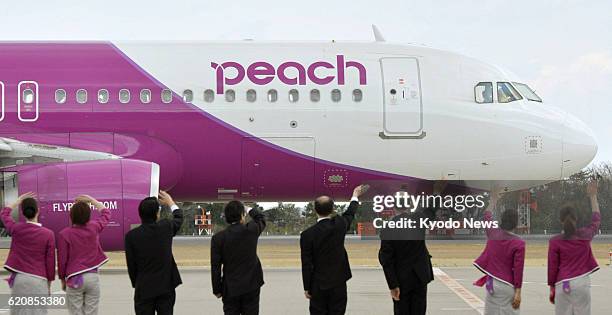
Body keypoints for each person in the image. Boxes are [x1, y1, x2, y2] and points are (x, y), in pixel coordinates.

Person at [300, 184, 368, 315]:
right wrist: (355, 195)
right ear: (332, 209)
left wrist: (307, 287)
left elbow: (306, 263)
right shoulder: (340, 225)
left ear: (315, 210)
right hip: (338, 283)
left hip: (318, 285)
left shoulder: (307, 234)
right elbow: (350, 213)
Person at [378, 185, 439, 315]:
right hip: (420, 276)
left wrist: (392, 285)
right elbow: (431, 210)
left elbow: (386, 260)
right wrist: (437, 191)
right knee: (419, 310)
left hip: (401, 279)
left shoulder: (388, 228)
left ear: (393, 207)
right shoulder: (418, 219)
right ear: (409, 206)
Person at [125, 191, 184, 315]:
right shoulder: (166, 227)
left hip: (144, 287)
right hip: (165, 286)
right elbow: (179, 217)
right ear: (157, 214)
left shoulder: (131, 236)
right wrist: (170, 202)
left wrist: (138, 283)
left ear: (140, 214)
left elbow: (131, 265)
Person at [548, 180, 600, 315]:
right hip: (581, 283)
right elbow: (596, 220)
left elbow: (552, 267)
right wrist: (593, 196)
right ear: (576, 219)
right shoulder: (584, 235)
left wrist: (552, 288)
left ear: (560, 220)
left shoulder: (554, 241)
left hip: (562, 283)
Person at [0, 192, 55, 315]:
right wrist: (49, 284)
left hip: (19, 279)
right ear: (38, 211)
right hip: (39, 280)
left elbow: (4, 214)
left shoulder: (16, 229)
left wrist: (17, 202)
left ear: (23, 213)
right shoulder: (48, 234)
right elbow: (50, 263)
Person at [473, 188, 525, 314]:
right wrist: (518, 291)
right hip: (507, 285)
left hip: (491, 284)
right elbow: (518, 269)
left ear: (502, 220)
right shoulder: (519, 243)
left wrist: (494, 199)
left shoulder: (493, 233)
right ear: (516, 223)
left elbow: (487, 215)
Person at [57, 195, 111, 315]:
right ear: (88, 215)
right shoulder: (94, 227)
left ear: (71, 216)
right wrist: (92, 200)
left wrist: (62, 279)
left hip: (75, 277)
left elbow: (62, 261)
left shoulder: (64, 234)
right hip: (92, 276)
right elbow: (106, 212)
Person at [211, 201, 266, 315]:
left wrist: (217, 288)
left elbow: (215, 266)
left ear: (226, 217)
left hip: (230, 287)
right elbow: (261, 218)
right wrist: (248, 208)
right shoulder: (251, 230)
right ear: (242, 215)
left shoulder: (218, 238)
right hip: (252, 284)